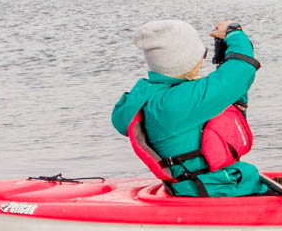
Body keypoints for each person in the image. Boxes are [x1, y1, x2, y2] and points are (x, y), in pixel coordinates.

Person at [111, 18, 265, 197]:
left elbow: (226, 84)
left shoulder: (155, 95)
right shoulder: (176, 102)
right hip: (217, 191)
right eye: (202, 54)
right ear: (185, 60)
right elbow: (240, 70)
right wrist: (235, 33)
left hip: (200, 186)